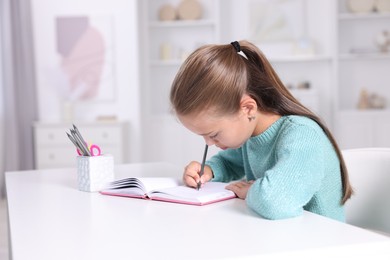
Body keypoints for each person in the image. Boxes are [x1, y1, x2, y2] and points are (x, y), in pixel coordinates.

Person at [169, 40, 353, 221]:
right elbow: (230, 163)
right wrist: (208, 170)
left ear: (248, 109)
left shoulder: (302, 135)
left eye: (213, 134)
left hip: (321, 243)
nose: (209, 143)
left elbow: (275, 202)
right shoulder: (251, 134)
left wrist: (251, 191)